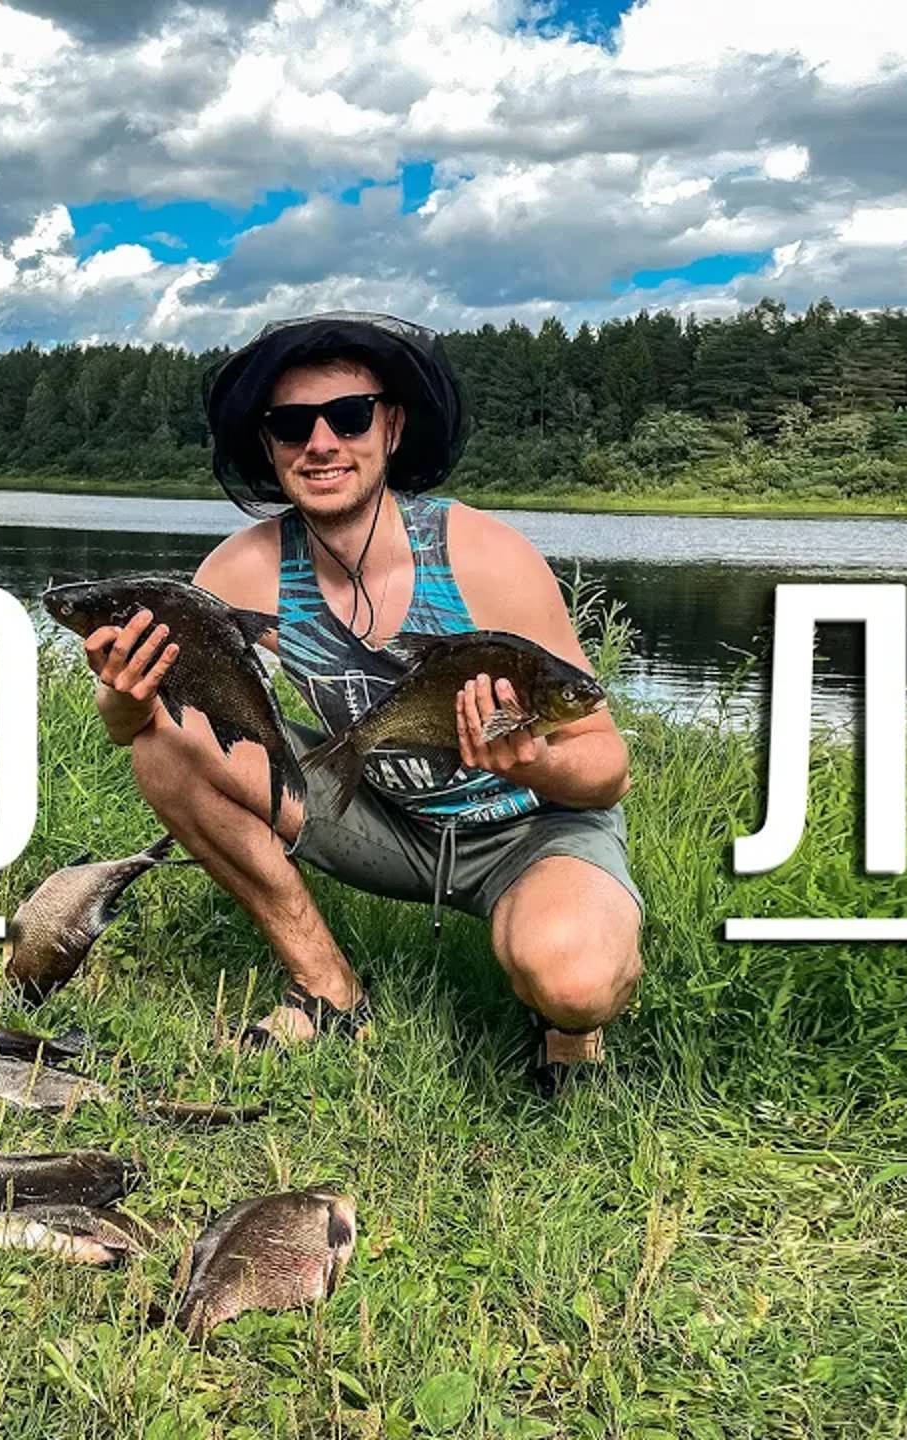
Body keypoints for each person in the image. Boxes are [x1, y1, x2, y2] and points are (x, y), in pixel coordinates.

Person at [77, 312, 643, 1092]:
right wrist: (123, 693)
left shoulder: (484, 557)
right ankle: (328, 991)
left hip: (532, 831)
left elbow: (608, 769)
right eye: (291, 425)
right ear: (269, 445)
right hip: (380, 815)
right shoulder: (241, 572)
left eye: (347, 416)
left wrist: (533, 763)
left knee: (574, 982)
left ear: (392, 427)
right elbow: (137, 729)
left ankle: (566, 1033)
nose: (320, 443)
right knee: (166, 744)